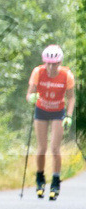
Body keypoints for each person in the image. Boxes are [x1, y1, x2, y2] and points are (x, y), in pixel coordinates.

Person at [27, 44, 75, 200]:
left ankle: (55, 181)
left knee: (55, 148)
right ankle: (40, 179)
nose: (51, 67)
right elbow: (29, 93)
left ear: (59, 63)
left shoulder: (66, 75)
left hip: (57, 111)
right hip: (41, 110)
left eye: (54, 64)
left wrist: (68, 115)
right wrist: (31, 98)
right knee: (42, 147)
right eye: (48, 63)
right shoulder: (38, 72)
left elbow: (71, 97)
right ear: (44, 62)